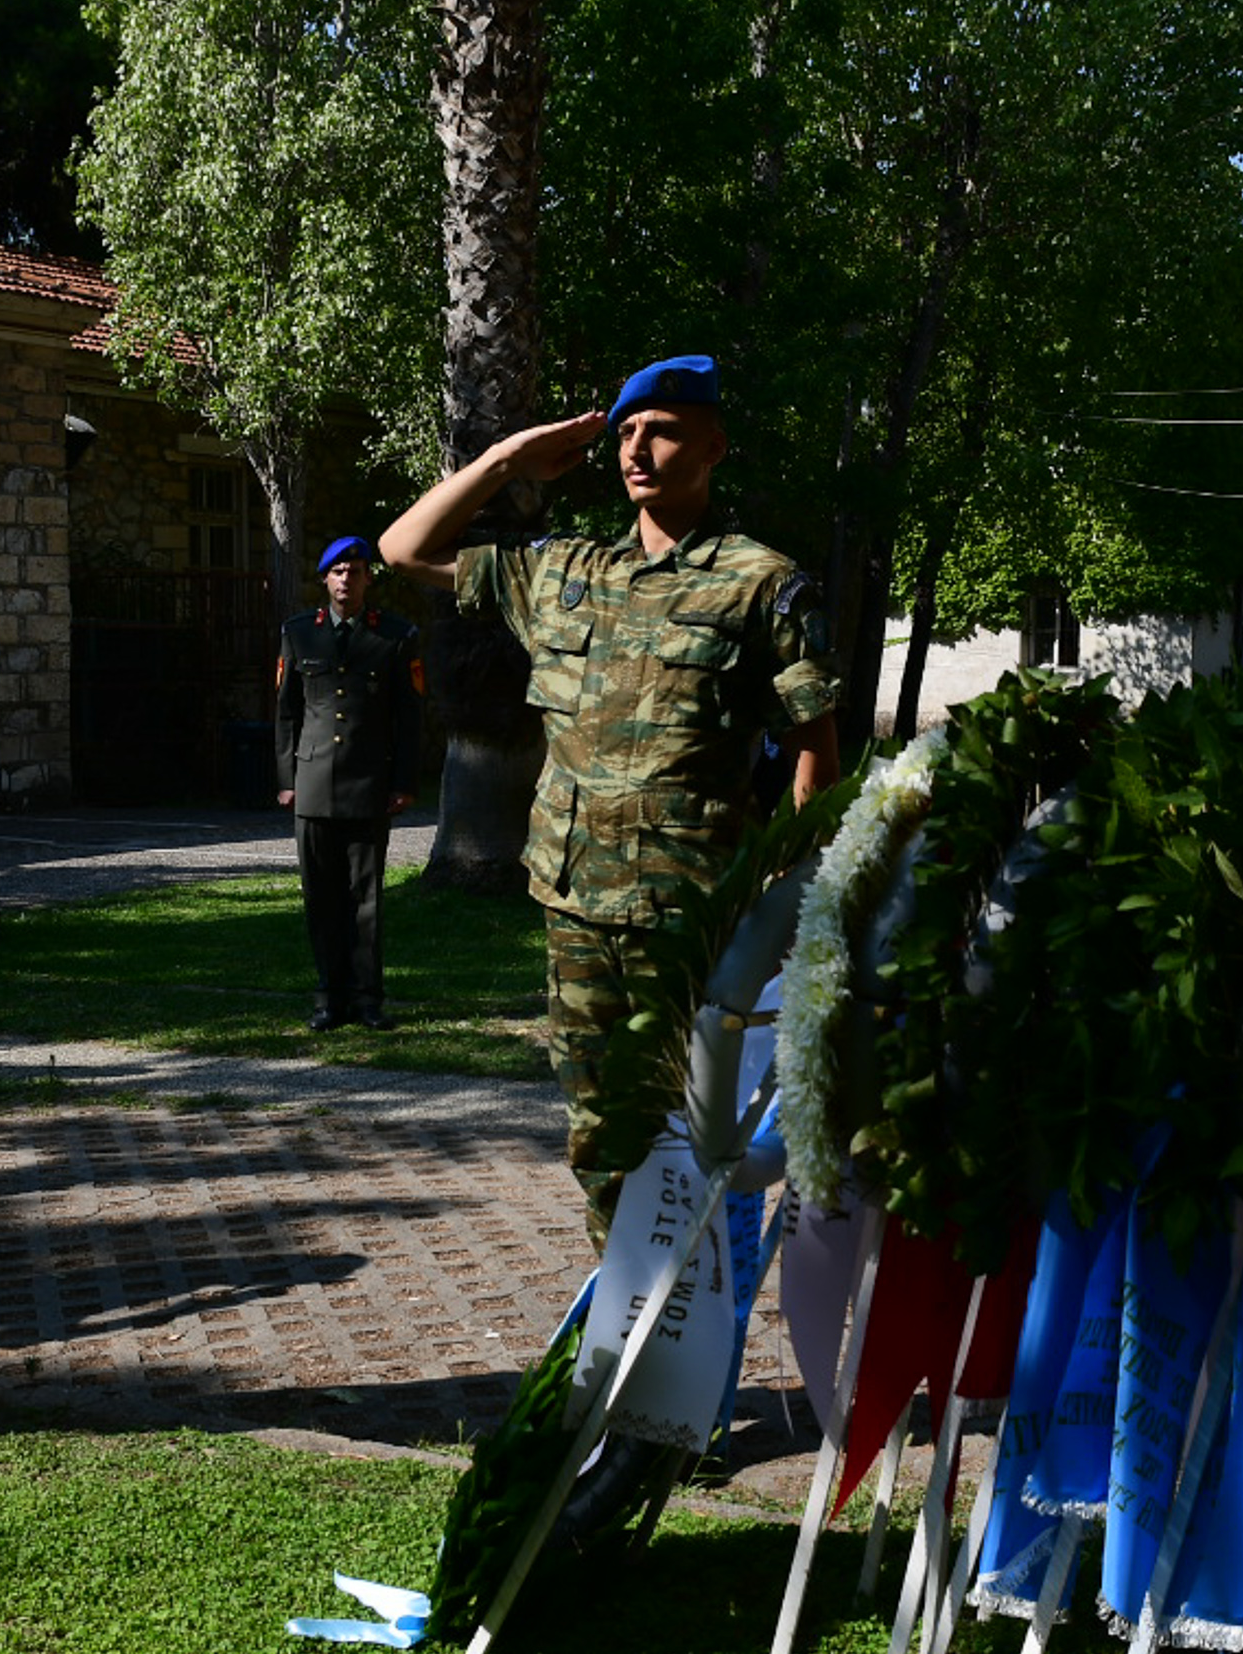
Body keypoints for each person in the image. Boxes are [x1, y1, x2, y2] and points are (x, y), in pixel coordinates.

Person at [378, 355, 840, 1235]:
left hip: (696, 914)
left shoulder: (761, 582)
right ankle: (620, 1308)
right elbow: (404, 549)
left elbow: (816, 755)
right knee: (599, 1133)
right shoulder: (560, 572)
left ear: (712, 446)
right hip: (576, 905)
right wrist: (508, 457)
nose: (636, 447)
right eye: (625, 432)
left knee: (701, 1133)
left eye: (660, 430)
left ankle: (697, 1330)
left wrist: (789, 909)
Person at [272, 534, 421, 1029]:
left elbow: (409, 716)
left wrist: (403, 781)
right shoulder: (298, 634)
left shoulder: (395, 636)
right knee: (320, 896)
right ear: (324, 579)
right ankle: (328, 998)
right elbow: (286, 714)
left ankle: (367, 999)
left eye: (354, 571)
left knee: (366, 897)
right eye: (337, 572)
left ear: (367, 579)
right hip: (312, 784)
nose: (345, 579)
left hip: (368, 782)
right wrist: (286, 779)